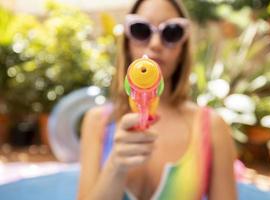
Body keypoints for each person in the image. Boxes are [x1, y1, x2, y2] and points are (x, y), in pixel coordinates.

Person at [77, 0, 237, 199]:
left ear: (182, 49)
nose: (155, 44)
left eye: (171, 32)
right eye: (141, 30)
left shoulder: (212, 127)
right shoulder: (96, 122)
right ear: (126, 44)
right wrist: (115, 166)